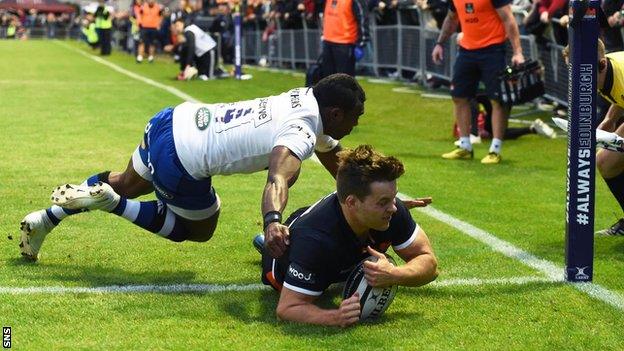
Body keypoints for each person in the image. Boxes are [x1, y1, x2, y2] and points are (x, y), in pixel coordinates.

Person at [18, 74, 366, 261]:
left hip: (173, 119)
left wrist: (372, 195)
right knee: (200, 229)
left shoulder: (305, 98)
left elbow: (335, 158)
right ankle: (113, 204)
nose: (355, 126)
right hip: (183, 159)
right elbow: (278, 175)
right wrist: (273, 221)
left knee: (125, 181)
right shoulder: (301, 129)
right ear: (335, 114)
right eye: (354, 118)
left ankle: (45, 219)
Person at [256, 145, 438, 327]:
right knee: (291, 253)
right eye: (383, 202)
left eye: (393, 198)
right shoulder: (315, 240)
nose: (393, 208)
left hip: (338, 241)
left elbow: (429, 263)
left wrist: (395, 274)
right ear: (351, 202)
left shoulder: (392, 211)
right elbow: (287, 308)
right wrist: (334, 317)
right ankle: (262, 242)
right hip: (285, 254)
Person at [432, 0, 525, 164]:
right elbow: (451, 18)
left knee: (497, 100)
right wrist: (439, 43)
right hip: (467, 50)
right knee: (459, 97)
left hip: (493, 49)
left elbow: (508, 19)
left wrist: (517, 52)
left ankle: (495, 150)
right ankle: (465, 146)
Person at [563, 40, 624, 235]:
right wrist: (609, 119)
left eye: (582, 72)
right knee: (606, 161)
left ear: (602, 64)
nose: (577, 78)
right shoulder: (604, 73)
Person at [320, 0, 370, 78]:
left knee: (345, 80)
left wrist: (361, 43)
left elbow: (362, 18)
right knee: (327, 79)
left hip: (345, 43)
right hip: (328, 40)